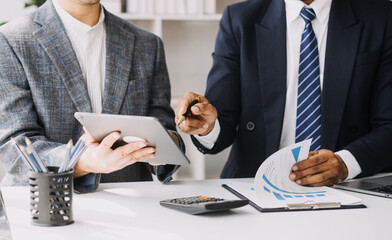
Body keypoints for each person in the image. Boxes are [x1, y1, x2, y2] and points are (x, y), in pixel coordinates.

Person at [176, 0, 392, 186]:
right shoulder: (240, 19)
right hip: (254, 185)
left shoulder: (381, 16)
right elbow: (222, 119)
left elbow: (389, 124)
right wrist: (206, 125)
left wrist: (345, 163)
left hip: (347, 187)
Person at [0, 0, 182, 192]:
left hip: (132, 205)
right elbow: (15, 147)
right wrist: (82, 162)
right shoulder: (11, 40)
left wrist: (165, 147)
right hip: (46, 205)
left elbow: (165, 132)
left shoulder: (147, 44)